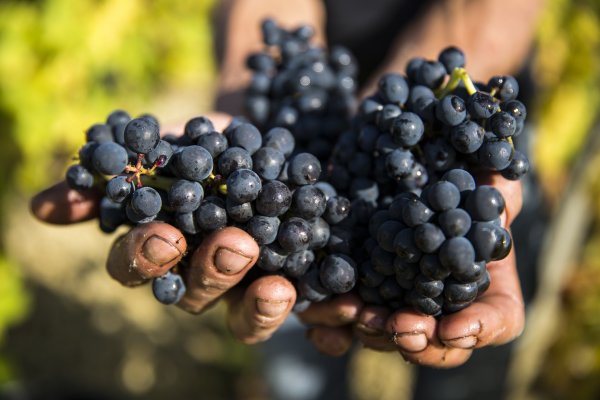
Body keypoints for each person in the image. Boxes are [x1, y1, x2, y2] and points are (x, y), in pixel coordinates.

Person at [31, 0, 545, 372]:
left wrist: (432, 107)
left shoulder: (452, 144)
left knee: (466, 363)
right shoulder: (255, 180)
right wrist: (249, 60)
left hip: (461, 70)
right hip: (317, 120)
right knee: (292, 337)